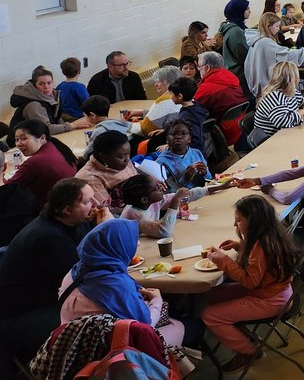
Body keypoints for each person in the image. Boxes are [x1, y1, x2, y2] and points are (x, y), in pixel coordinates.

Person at [0, 180, 108, 366]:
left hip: (49, 297)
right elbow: (91, 275)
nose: (97, 204)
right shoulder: (48, 237)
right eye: (88, 201)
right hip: (21, 313)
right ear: (67, 210)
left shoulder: (73, 221)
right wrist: (105, 230)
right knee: (100, 323)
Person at [201, 194, 301, 372]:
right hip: (279, 292)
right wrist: (240, 246)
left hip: (271, 299)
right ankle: (242, 336)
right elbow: (260, 265)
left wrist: (224, 261)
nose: (235, 225)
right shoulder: (271, 234)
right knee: (212, 295)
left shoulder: (260, 247)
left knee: (210, 315)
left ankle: (250, 351)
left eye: (238, 220)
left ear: (253, 222)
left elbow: (250, 282)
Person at [59, 218, 189, 347]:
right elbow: (145, 326)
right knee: (185, 326)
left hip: (71, 342)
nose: (137, 244)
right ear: (117, 245)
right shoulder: (115, 286)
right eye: (132, 239)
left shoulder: (76, 271)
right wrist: (157, 301)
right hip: (107, 351)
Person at [244, 12, 304, 96]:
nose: (278, 29)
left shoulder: (256, 39)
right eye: (276, 26)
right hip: (265, 86)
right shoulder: (265, 42)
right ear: (268, 25)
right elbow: (285, 54)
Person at [7, 119, 76, 207]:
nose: (18, 144)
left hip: (46, 209)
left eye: (24, 138)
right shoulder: (57, 147)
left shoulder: (35, 162)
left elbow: (8, 188)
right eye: (17, 139)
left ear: (42, 138)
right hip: (67, 202)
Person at [10, 65, 90, 139]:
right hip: (22, 144)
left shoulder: (51, 96)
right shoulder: (34, 105)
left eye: (49, 83)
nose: (46, 87)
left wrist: (77, 120)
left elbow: (56, 117)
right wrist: (72, 125)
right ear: (34, 86)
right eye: (41, 84)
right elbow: (45, 129)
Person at [250, 62, 304, 147]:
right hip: (273, 143)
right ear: (291, 79)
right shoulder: (275, 96)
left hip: (287, 136)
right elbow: (283, 122)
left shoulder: (291, 92)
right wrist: (300, 113)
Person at [75, 129, 137, 208]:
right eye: (121, 156)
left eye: (128, 154)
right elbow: (106, 210)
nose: (127, 159)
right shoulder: (90, 177)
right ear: (103, 156)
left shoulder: (120, 162)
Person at [195, 51, 245, 147]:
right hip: (240, 125)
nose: (198, 69)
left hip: (222, 133)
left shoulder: (206, 90)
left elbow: (194, 110)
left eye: (199, 66)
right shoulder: (232, 77)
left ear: (207, 67)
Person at [118, 172, 180, 239]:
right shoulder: (135, 216)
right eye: (157, 187)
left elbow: (179, 197)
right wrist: (175, 203)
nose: (161, 187)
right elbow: (164, 232)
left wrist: (180, 196)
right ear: (144, 199)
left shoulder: (149, 201)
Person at [128, 65, 183, 139]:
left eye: (158, 81)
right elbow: (164, 115)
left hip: (164, 142)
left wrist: (124, 124)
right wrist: (139, 112)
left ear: (167, 83)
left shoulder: (164, 100)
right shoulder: (184, 95)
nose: (155, 84)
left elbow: (145, 129)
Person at [217, 0, 254, 88]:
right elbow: (245, 55)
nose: (250, 11)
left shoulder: (234, 26)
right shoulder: (235, 31)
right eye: (247, 9)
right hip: (239, 74)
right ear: (239, 11)